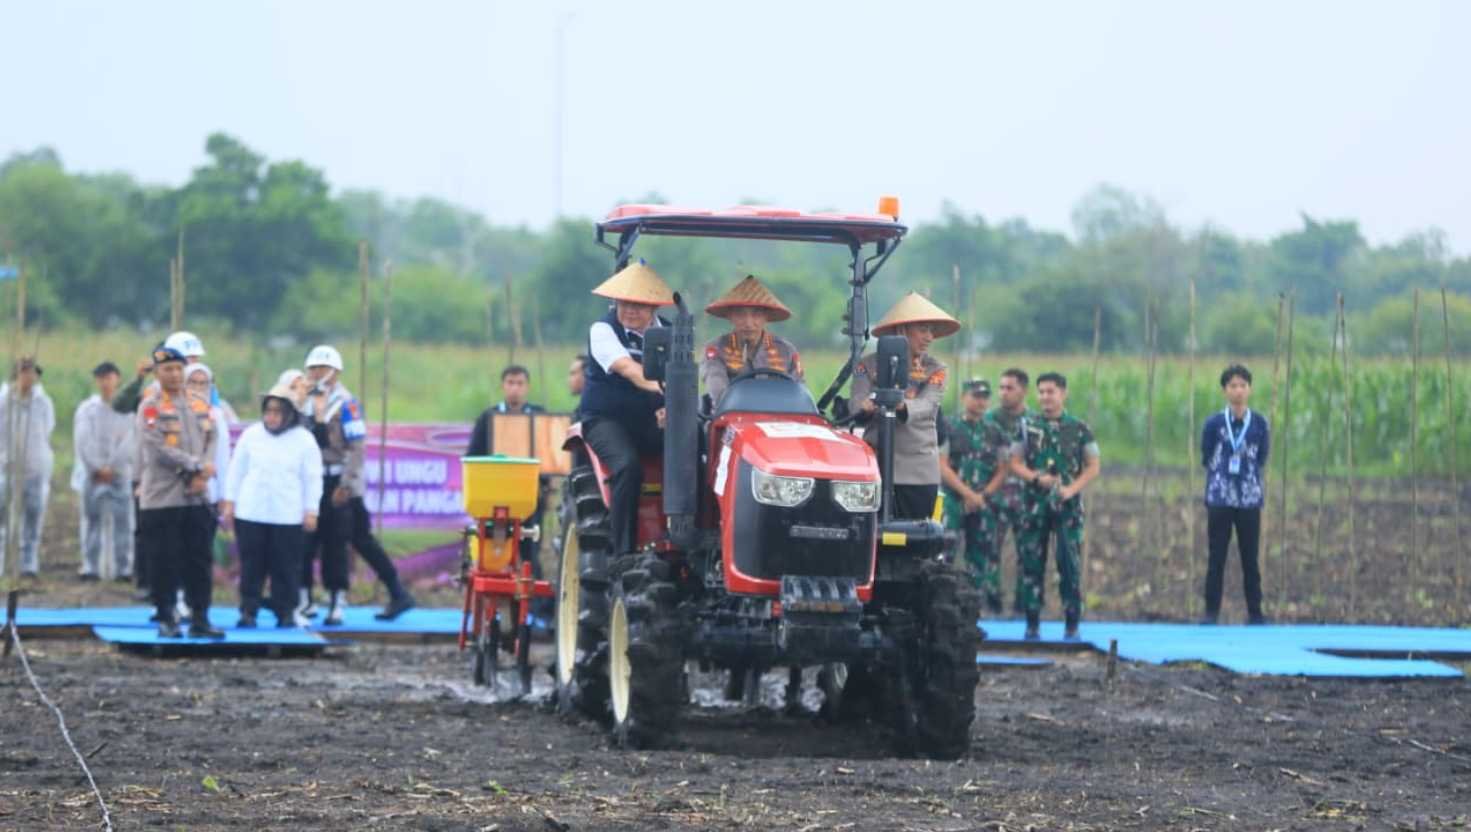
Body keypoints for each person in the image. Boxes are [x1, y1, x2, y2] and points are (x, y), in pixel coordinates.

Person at [300, 345, 415, 624]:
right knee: (308, 540)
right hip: (313, 480)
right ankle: (305, 598)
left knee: (341, 541)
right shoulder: (302, 401)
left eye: (324, 369)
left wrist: (346, 484)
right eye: (313, 369)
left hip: (340, 481)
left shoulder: (346, 404)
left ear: (336, 373)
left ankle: (343, 598)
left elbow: (357, 448)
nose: (318, 374)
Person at [578, 260, 673, 556]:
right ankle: (623, 552)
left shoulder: (672, 334)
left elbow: (682, 376)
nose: (630, 310)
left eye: (639, 304)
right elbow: (629, 369)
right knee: (627, 467)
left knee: (697, 453)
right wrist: (668, 393)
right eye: (624, 303)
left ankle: (685, 535)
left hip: (651, 420)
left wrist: (673, 409)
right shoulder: (603, 330)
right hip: (606, 419)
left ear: (654, 307)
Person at [136, 345, 221, 639]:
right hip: (163, 496)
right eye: (167, 369)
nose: (173, 374)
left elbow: (213, 436)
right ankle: (167, 617)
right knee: (165, 561)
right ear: (158, 373)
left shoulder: (199, 402)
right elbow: (156, 447)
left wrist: (205, 467)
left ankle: (201, 617)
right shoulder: (150, 405)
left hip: (196, 496)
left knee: (199, 559)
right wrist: (195, 466)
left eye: (177, 368)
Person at [222, 382, 323, 628]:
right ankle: (248, 610)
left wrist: (311, 510)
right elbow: (236, 470)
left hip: (287, 515)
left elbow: (312, 478)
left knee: (286, 567)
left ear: (290, 414)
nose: (272, 417)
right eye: (268, 411)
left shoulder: (304, 440)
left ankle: (285, 612)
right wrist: (230, 501)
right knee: (251, 566)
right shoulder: (252, 435)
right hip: (251, 512)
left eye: (278, 411)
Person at [849, 292, 957, 521]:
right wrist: (864, 406)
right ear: (902, 330)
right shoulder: (866, 365)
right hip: (875, 469)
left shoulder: (936, 368)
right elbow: (856, 402)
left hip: (917, 471)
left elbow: (928, 405)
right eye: (923, 330)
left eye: (931, 331)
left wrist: (901, 405)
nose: (929, 337)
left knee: (915, 540)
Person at [1009, 372, 1100, 641]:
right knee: (1031, 564)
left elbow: (1093, 466)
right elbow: (1014, 462)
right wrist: (1036, 478)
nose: (1046, 397)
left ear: (1063, 394)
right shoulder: (1026, 426)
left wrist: (1071, 489)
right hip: (1033, 505)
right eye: (1042, 392)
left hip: (1067, 507)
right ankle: (1032, 623)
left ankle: (1072, 622)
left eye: (1051, 392)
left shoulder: (1079, 428)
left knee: (1068, 564)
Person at [1200, 363, 1270, 625]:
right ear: (1224, 390)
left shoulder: (1260, 424)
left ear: (1249, 389)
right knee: (1216, 556)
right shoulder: (1214, 424)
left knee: (1249, 557)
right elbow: (1206, 456)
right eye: (1233, 386)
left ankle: (1255, 613)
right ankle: (1210, 613)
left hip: (1249, 499)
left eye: (1242, 385)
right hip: (1220, 497)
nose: (1238, 391)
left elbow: (1262, 457)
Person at [940, 379, 1009, 613]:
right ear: (964, 397)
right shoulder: (949, 426)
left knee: (979, 555)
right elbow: (943, 465)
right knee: (945, 553)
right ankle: (943, 605)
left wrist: (983, 495)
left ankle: (974, 609)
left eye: (984, 397)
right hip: (953, 500)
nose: (980, 401)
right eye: (975, 396)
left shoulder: (995, 431)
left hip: (983, 501)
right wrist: (967, 494)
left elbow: (1003, 467)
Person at [73, 362, 136, 581]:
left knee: (124, 522)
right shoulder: (87, 409)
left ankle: (124, 568)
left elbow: (131, 440)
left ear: (117, 379)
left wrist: (114, 467)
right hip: (93, 473)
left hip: (120, 472)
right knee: (91, 519)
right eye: (101, 378)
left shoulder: (128, 409)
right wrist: (97, 467)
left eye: (109, 377)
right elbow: (83, 440)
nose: (105, 382)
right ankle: (90, 566)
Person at [699, 275, 805, 405]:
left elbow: (800, 393)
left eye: (757, 314)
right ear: (730, 316)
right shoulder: (715, 349)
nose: (748, 323)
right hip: (731, 418)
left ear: (766, 317)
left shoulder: (786, 351)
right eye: (740, 314)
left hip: (777, 419)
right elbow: (718, 392)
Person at [0, 358, 55, 578]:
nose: (28, 378)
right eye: (24, 373)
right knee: (4, 517)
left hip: (35, 468)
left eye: (32, 373)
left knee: (32, 517)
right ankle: (4, 562)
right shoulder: (4, 401)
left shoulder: (43, 402)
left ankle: (28, 563)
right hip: (7, 468)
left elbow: (47, 429)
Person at [988, 368, 1035, 614]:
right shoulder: (988, 420)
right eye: (1001, 387)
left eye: (1010, 388)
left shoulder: (1035, 423)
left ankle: (1023, 607)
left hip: (1026, 498)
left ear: (1023, 391)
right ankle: (992, 605)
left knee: (1027, 554)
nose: (1003, 393)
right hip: (995, 496)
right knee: (989, 553)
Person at [466, 365, 545, 457]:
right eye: (510, 383)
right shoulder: (487, 417)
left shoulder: (539, 415)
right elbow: (474, 454)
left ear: (528, 387)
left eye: (520, 383)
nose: (515, 388)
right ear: (502, 386)